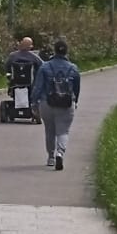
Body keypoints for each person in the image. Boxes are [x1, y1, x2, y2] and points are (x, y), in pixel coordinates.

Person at [31, 38, 80, 170]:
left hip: (46, 103)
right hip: (66, 104)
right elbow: (76, 88)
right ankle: (60, 153)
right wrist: (75, 101)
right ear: (66, 52)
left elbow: (38, 87)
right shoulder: (73, 68)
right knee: (63, 131)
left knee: (49, 131)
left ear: (54, 50)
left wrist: (34, 103)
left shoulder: (45, 67)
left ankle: (51, 157)